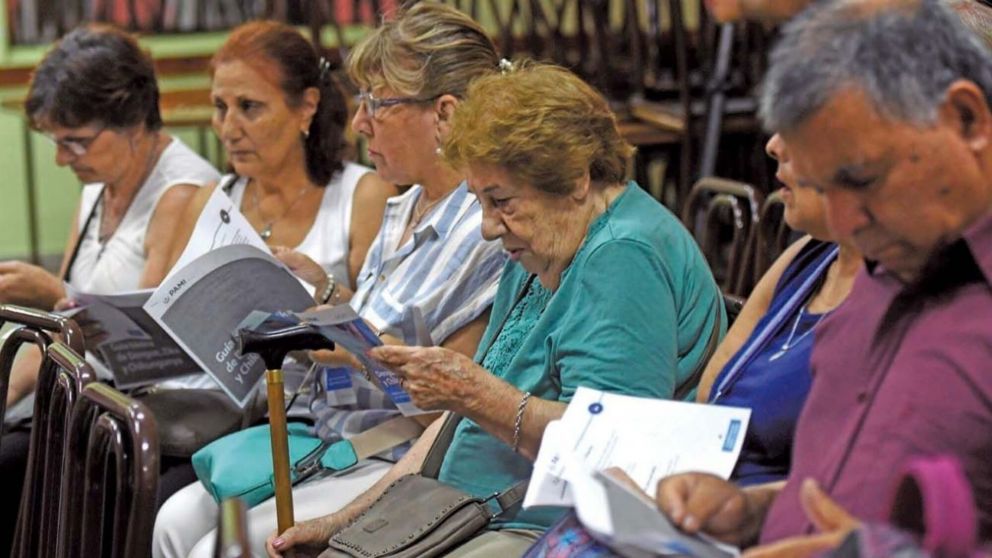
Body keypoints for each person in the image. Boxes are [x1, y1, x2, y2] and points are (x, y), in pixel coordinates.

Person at [266, 61, 725, 558]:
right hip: (461, 511)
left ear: (575, 179)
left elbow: (609, 455)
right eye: (480, 202)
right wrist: (343, 520)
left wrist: (476, 392)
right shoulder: (540, 249)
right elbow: (453, 427)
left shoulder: (623, 256)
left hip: (539, 529)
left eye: (501, 201)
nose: (487, 227)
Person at [153, 5, 507, 556]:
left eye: (378, 103)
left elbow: (453, 410)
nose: (360, 122)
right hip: (329, 434)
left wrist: (354, 348)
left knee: (219, 545)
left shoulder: (486, 228)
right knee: (173, 521)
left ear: (446, 114)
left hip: (391, 457)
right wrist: (323, 294)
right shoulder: (406, 205)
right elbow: (382, 318)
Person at [654, 0, 992, 553]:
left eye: (859, 179)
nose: (840, 222)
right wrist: (753, 511)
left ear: (966, 120)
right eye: (824, 186)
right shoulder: (876, 273)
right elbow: (844, 484)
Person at [0, 23, 220, 556]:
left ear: (134, 122)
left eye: (74, 141)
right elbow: (61, 327)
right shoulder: (100, 184)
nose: (61, 159)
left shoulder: (183, 194)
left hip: (141, 415)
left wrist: (53, 292)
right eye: (57, 142)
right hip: (85, 399)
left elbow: (146, 351)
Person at [696, 132, 862, 486]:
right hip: (709, 496)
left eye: (799, 125)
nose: (773, 145)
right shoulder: (809, 256)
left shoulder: (904, 299)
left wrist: (742, 509)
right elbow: (709, 394)